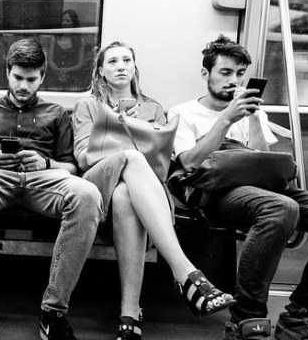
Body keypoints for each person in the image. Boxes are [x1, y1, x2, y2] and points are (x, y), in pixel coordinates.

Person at [167, 35, 308, 340]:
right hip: (219, 192)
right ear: (206, 74)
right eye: (225, 72)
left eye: (240, 74)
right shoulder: (183, 112)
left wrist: (254, 119)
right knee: (281, 207)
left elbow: (262, 159)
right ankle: (246, 320)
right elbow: (189, 162)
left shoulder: (250, 110)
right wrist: (226, 120)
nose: (234, 81)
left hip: (262, 186)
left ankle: (301, 316)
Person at [0, 39, 101, 340]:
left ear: (42, 77)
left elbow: (71, 167)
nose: (24, 86)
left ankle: (54, 311)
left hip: (43, 179)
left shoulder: (57, 113)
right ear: (7, 73)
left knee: (88, 195)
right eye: (18, 77)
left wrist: (45, 162)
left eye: (31, 79)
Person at [72, 42, 236, 340]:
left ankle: (129, 313)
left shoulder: (153, 108)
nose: (121, 66)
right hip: (99, 180)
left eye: (126, 60)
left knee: (125, 196)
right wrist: (119, 133)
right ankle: (185, 272)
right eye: (112, 62)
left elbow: (162, 165)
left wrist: (135, 132)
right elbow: (84, 158)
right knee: (132, 158)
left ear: (134, 68)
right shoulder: (89, 106)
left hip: (141, 188)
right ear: (101, 71)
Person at [44, 10, 90, 89]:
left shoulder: (80, 40)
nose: (64, 23)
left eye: (68, 20)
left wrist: (66, 70)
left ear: (73, 23)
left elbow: (81, 63)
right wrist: (58, 71)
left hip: (73, 75)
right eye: (63, 20)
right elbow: (50, 59)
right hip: (55, 75)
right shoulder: (54, 38)